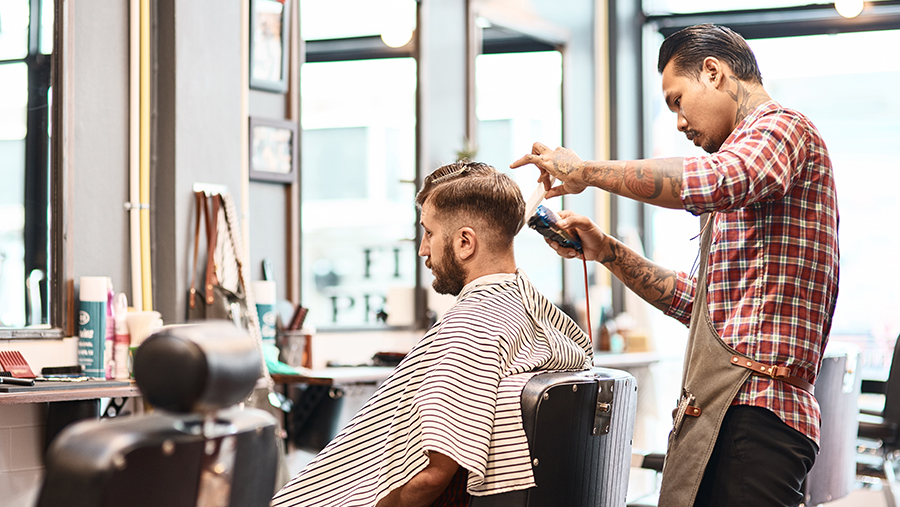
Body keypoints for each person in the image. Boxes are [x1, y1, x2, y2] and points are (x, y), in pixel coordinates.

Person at [510, 23, 839, 507]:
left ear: (713, 72)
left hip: (756, 412)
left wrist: (586, 173)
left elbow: (722, 180)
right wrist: (607, 251)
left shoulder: (781, 128)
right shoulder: (747, 171)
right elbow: (698, 304)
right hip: (717, 413)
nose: (679, 123)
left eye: (677, 100)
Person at [272, 161, 592, 507]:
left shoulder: (473, 328)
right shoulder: (534, 316)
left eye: (429, 233)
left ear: (465, 242)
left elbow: (431, 473)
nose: (424, 249)